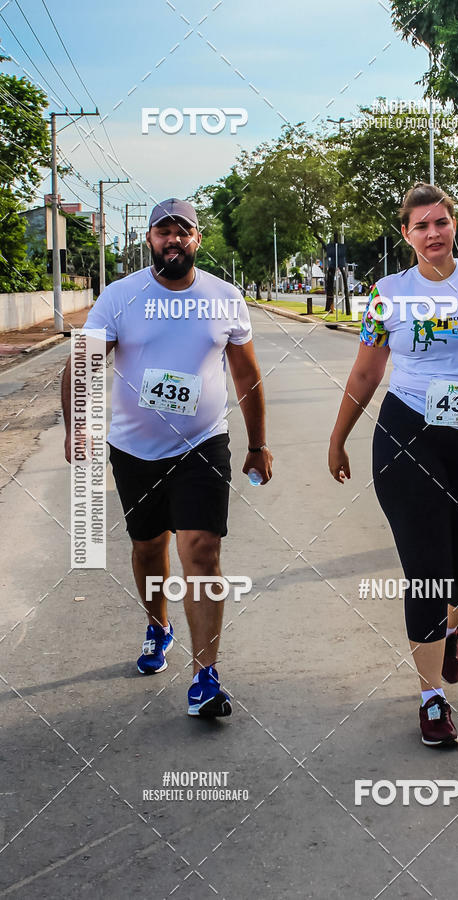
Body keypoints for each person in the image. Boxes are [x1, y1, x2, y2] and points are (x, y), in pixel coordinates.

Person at [61, 198, 273, 719]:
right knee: (148, 547)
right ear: (149, 240)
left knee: (200, 550)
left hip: (203, 443)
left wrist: (256, 443)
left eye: (183, 232)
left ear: (197, 241)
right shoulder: (121, 296)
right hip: (134, 448)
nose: (173, 240)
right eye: (163, 232)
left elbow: (246, 377)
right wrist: (78, 426)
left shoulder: (224, 298)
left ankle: (205, 675)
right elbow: (81, 365)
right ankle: (158, 627)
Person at [328, 182, 458, 748]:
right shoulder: (388, 291)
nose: (432, 233)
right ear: (406, 234)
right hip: (409, 433)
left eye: (441, 222)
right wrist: (338, 437)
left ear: (453, 224)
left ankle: (446, 630)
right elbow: (366, 371)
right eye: (420, 226)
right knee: (428, 567)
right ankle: (431, 696)